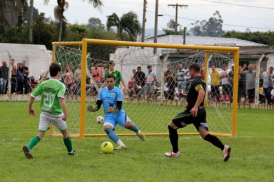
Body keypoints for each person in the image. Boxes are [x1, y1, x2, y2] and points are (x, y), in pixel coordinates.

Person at [164, 63, 231, 161]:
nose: (188, 73)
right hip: (201, 111)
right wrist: (185, 95)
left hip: (192, 112)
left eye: (189, 71)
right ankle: (223, 148)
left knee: (171, 126)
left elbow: (202, 93)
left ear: (193, 71)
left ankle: (175, 152)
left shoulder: (196, 80)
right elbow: (196, 95)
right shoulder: (201, 80)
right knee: (205, 135)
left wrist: (195, 107)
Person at [23, 62, 77, 159]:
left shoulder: (44, 83)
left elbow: (32, 96)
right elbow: (61, 99)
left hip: (44, 114)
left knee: (40, 135)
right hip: (56, 115)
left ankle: (29, 147)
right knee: (65, 133)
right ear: (58, 72)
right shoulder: (61, 85)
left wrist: (30, 108)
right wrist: (65, 113)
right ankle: (71, 152)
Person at [87, 74, 145, 149]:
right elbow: (98, 104)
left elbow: (119, 105)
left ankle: (138, 132)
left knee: (129, 125)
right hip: (109, 116)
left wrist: (115, 110)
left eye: (111, 81)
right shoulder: (102, 91)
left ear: (114, 81)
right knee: (107, 129)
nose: (109, 83)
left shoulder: (118, 91)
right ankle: (122, 145)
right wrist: (95, 109)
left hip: (119, 114)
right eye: (107, 82)